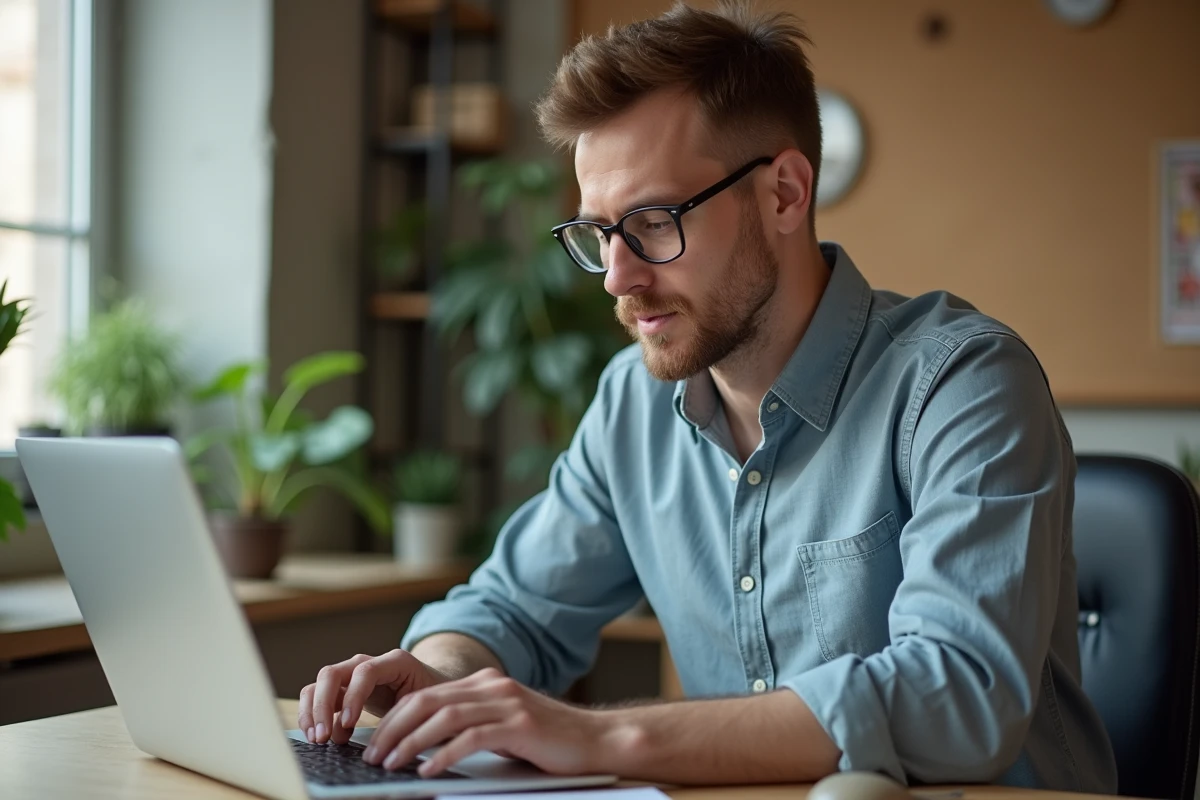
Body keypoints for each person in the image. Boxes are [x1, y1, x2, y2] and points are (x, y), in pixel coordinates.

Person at [298, 2, 1118, 791]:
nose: (618, 277)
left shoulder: (964, 383)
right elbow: (511, 610)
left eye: (654, 221)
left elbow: (959, 696)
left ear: (785, 193)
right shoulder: (632, 404)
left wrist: (599, 736)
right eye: (600, 233)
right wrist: (439, 676)